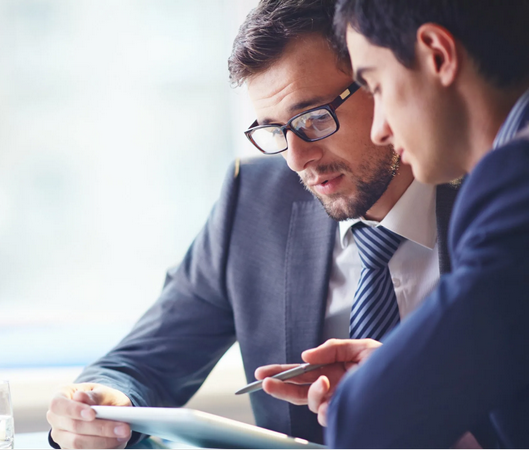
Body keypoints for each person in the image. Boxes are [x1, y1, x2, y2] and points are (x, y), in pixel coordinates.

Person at [45, 1, 458, 448]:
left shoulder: (499, 197)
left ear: (380, 82)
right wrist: (97, 404)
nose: (297, 160)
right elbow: (144, 361)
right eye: (275, 131)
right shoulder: (257, 201)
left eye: (316, 118)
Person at [255, 0, 529, 448]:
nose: (381, 128)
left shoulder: (514, 181)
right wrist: (418, 373)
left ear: (437, 55)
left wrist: (385, 389)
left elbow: (368, 422)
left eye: (375, 86)